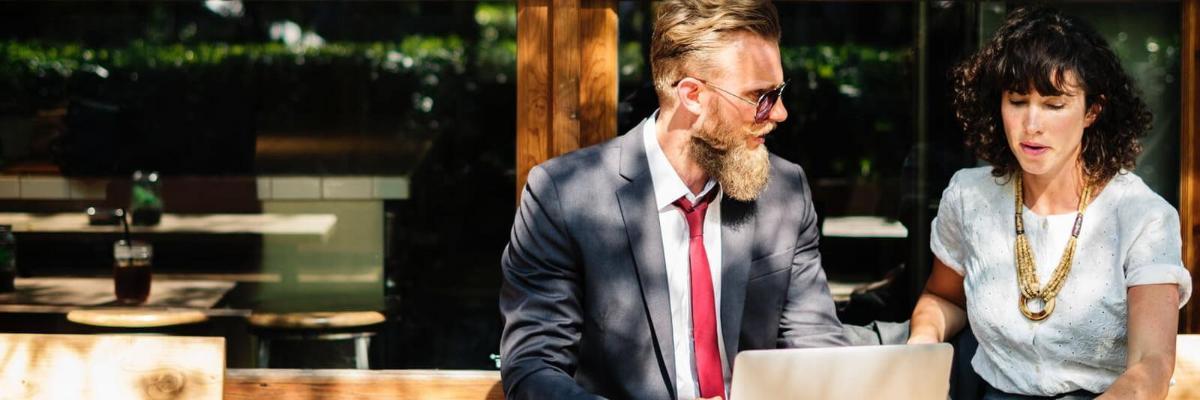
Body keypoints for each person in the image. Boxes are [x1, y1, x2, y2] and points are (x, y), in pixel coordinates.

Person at [499, 1, 849, 399]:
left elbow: (816, 350)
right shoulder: (564, 196)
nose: (780, 113)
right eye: (761, 96)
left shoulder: (785, 192)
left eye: (779, 92)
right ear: (693, 95)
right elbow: (534, 370)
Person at [907, 6, 1191, 400]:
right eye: (1017, 101)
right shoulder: (968, 197)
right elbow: (942, 297)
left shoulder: (1144, 217)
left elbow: (1152, 366)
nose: (1031, 124)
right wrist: (922, 345)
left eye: (1054, 104)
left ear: (1092, 110)